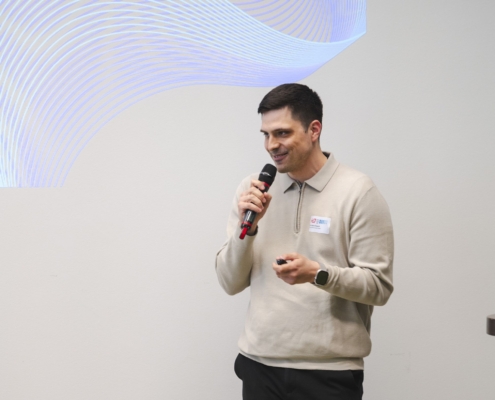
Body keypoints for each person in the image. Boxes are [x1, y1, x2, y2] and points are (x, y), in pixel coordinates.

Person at [215, 83, 394, 400]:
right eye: (266, 135)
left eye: (282, 133)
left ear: (314, 130)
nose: (271, 145)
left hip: (329, 373)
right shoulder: (253, 191)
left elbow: (378, 287)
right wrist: (249, 229)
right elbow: (229, 282)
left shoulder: (358, 191)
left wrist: (318, 274)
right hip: (259, 366)